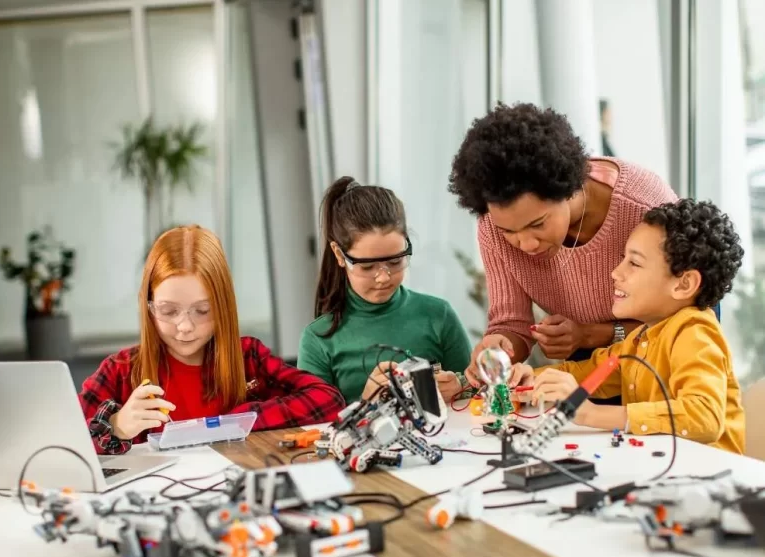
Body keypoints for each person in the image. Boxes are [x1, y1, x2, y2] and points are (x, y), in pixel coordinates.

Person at [448, 102, 679, 393]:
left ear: (568, 188)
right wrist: (500, 348)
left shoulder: (645, 208)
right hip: (586, 355)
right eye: (510, 231)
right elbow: (512, 323)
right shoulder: (492, 226)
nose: (526, 244)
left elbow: (679, 322)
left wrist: (593, 334)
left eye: (538, 224)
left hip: (663, 352)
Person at [78, 225, 345, 455]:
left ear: (223, 306)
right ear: (149, 308)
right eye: (169, 311)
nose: (185, 326)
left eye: (202, 311)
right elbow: (59, 447)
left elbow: (329, 400)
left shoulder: (248, 358)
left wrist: (242, 419)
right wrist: (116, 426)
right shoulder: (120, 371)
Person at [513, 199, 745, 454]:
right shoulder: (642, 338)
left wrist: (591, 414)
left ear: (683, 284)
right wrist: (533, 380)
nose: (615, 272)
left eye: (634, 263)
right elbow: (592, 373)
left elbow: (704, 417)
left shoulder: (694, 332)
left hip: (712, 480)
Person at [296, 176, 472, 406]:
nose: (383, 277)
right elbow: (313, 427)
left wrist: (459, 387)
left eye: (395, 262)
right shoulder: (318, 340)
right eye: (368, 266)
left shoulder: (439, 315)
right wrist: (365, 403)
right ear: (340, 256)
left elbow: (479, 389)